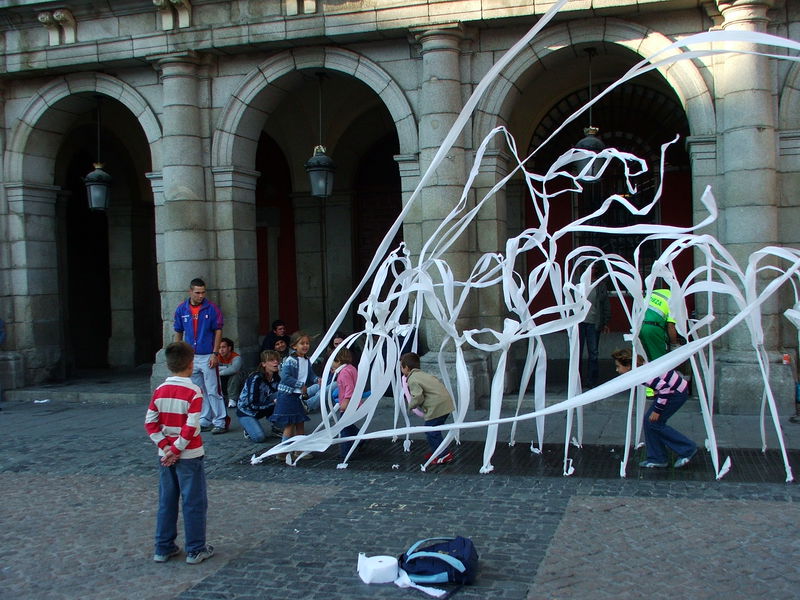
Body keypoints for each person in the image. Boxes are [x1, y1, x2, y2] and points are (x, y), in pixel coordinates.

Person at [144, 341, 214, 565]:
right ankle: (195, 549)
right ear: (191, 364)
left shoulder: (160, 390)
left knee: (167, 500)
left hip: (165, 456)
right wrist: (175, 449)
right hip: (189, 454)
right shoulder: (193, 391)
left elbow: (150, 423)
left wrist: (165, 448)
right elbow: (191, 426)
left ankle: (163, 547)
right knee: (193, 501)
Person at [612, 348, 697, 469]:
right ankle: (658, 457)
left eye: (618, 366)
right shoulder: (641, 369)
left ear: (629, 366)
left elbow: (665, 389)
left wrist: (657, 410)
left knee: (654, 423)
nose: (617, 370)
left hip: (675, 393)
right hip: (674, 391)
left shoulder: (643, 374)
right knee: (650, 422)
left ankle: (686, 448)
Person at [173, 278, 228, 434]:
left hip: (207, 354)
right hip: (191, 355)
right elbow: (178, 330)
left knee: (213, 389)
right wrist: (179, 352)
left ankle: (220, 420)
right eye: (197, 292)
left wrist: (215, 353)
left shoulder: (212, 309)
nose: (201, 295)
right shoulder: (181, 309)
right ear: (190, 292)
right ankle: (205, 418)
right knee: (198, 389)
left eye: (203, 292)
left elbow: (218, 330)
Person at [400, 352, 456, 464]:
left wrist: (411, 406)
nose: (401, 369)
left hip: (436, 406)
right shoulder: (422, 374)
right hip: (445, 403)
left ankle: (443, 454)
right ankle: (437, 451)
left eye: (401, 367)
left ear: (406, 367)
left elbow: (418, 396)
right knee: (434, 429)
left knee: (431, 431)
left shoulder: (412, 379)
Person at [270, 331, 316, 458]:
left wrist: (317, 379)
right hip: (287, 396)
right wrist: (300, 384)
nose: (305, 346)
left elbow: (311, 374)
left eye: (307, 343)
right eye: (302, 343)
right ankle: (283, 451)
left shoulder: (306, 360)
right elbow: (285, 377)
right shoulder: (291, 360)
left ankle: (298, 450)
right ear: (294, 346)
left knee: (300, 422)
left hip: (295, 396)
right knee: (290, 424)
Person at [237, 350, 282, 443]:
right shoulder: (255, 378)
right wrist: (272, 403)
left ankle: (277, 428)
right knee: (259, 438)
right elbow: (252, 404)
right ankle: (248, 428)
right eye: (271, 360)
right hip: (248, 411)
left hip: (265, 404)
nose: (276, 362)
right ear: (264, 364)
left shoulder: (277, 377)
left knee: (284, 395)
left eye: (277, 360)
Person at [578, 267, 610, 388]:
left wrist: (605, 322)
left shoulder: (600, 285)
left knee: (593, 353)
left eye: (593, 268)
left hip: (593, 323)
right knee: (577, 352)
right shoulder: (578, 284)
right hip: (579, 323)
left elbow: (605, 304)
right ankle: (577, 380)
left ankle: (592, 381)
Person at [332, 347, 360, 461]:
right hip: (353, 403)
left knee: (344, 428)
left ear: (338, 361)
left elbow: (349, 388)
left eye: (332, 361)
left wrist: (346, 401)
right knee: (348, 426)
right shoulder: (351, 368)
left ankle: (346, 452)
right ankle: (361, 439)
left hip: (348, 404)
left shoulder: (344, 373)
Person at [639, 288, 679, 361]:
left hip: (639, 326)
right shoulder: (675, 301)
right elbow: (671, 326)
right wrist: (674, 344)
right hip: (653, 329)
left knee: (646, 360)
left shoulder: (656, 292)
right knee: (659, 361)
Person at [217, 338, 243, 408]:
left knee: (235, 374)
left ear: (229, 348)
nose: (221, 350)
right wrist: (227, 368)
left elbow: (234, 369)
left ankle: (232, 399)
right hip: (224, 381)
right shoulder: (217, 357)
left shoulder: (236, 357)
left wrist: (219, 372)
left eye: (223, 347)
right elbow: (213, 368)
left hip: (238, 382)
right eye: (219, 348)